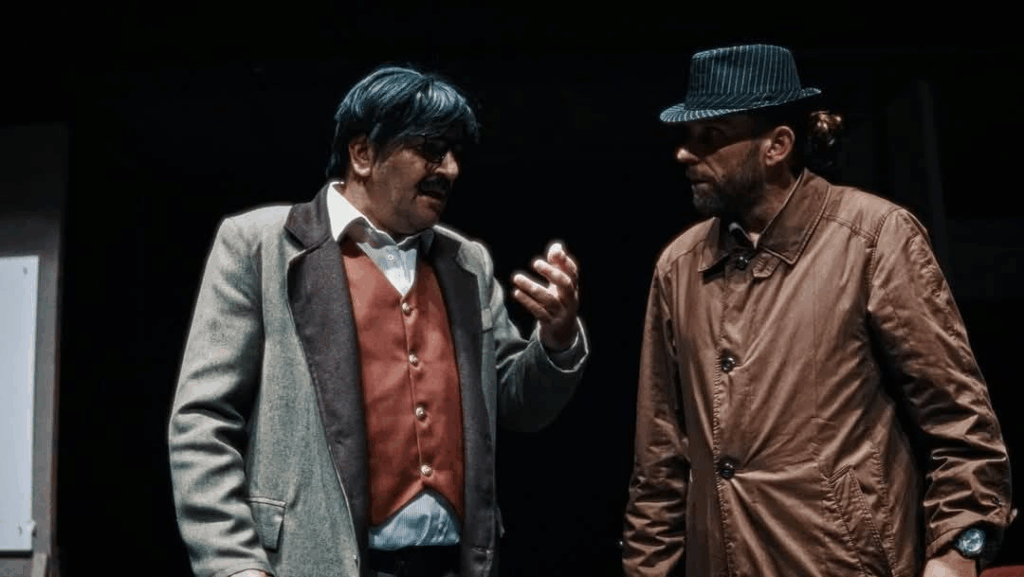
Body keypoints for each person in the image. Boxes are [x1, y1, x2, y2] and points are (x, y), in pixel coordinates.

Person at [168, 64, 589, 577]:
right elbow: (203, 421)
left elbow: (515, 402)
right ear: (363, 154)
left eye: (455, 153)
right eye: (431, 149)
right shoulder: (260, 245)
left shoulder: (466, 262)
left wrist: (556, 339)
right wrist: (234, 563)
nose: (450, 169)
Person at [622, 44, 1014, 577]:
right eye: (688, 137)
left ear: (777, 145)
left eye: (710, 136)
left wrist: (958, 553)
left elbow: (960, 422)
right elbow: (658, 461)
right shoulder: (679, 266)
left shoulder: (873, 239)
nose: (685, 154)